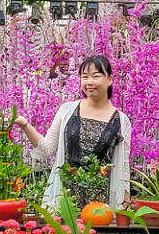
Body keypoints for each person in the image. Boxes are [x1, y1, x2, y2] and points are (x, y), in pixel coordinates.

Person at [16, 55, 131, 210]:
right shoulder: (67, 111)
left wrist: (124, 208)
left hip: (100, 207)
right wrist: (25, 125)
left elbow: (123, 168)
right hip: (65, 202)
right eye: (84, 77)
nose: (89, 82)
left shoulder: (121, 121)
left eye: (96, 76)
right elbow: (47, 148)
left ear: (109, 79)